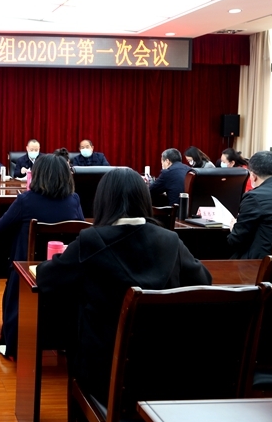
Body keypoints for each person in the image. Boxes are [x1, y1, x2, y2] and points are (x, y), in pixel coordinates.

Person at [36, 168, 212, 404]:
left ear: (103, 201)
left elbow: (47, 278)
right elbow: (204, 281)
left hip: (102, 373)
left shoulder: (91, 240)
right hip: (162, 371)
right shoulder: (170, 240)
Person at [0, 154, 84, 359]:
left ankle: (12, 344)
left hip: (28, 270)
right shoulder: (74, 200)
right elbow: (79, 228)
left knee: (13, 278)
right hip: (63, 269)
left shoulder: (25, 200)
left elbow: (0, 227)